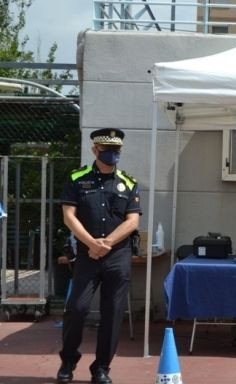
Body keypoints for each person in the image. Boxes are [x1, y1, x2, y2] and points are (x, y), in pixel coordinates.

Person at [57, 128, 141, 384]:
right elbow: (68, 215)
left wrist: (107, 243)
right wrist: (92, 243)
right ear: (95, 150)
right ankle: (68, 361)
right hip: (87, 255)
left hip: (118, 256)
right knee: (77, 308)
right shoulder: (76, 178)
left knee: (113, 313)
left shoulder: (128, 182)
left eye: (115, 151)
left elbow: (133, 220)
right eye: (106, 150)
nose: (111, 155)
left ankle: (102, 367)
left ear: (120, 152)